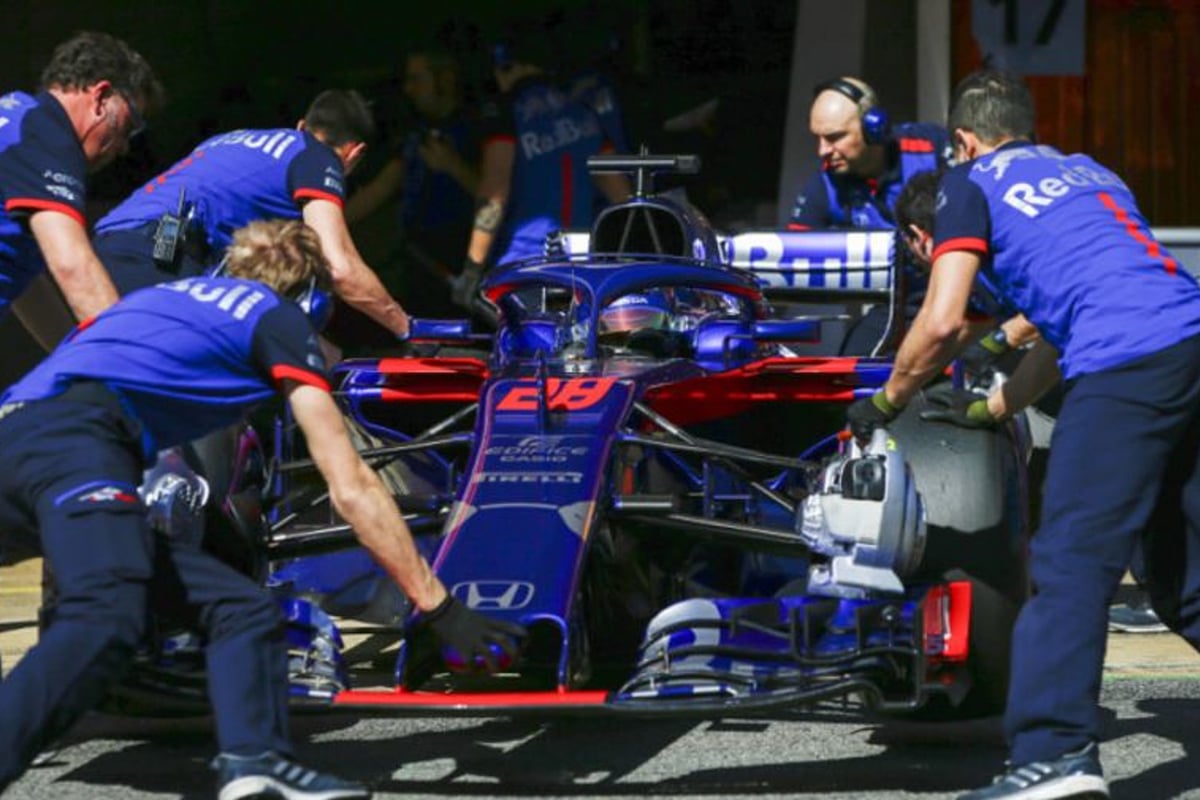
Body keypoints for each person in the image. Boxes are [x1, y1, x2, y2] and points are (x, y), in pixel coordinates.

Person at [0, 219, 525, 798]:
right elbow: (350, 484)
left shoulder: (156, 299)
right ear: (314, 300)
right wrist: (437, 605)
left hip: (17, 431)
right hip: (78, 443)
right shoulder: (277, 317)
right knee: (106, 616)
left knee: (243, 611)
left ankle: (256, 763)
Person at [846, 69, 1200, 800]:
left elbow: (942, 319)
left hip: (1128, 361)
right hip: (1188, 337)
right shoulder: (1090, 173)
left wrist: (884, 402)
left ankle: (1054, 758)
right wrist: (994, 409)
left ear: (964, 140)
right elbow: (1061, 321)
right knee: (1181, 568)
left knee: (1069, 562)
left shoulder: (966, 184)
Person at [91, 89, 411, 338]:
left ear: (302, 125)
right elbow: (340, 267)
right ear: (354, 153)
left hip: (108, 243)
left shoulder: (229, 140)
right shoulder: (317, 155)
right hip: (162, 249)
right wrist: (405, 327)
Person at [0, 31, 163, 352]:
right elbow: (73, 266)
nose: (124, 147)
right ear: (101, 97)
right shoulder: (45, 132)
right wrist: (134, 362)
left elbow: (23, 279)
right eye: (130, 127)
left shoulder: (17, 115)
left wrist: (70, 355)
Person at [451, 24, 629, 312]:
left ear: (505, 67)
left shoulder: (506, 111)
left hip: (524, 267)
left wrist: (472, 269)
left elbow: (494, 193)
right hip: (582, 270)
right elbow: (620, 195)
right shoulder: (583, 111)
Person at [788, 77, 951, 356]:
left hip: (965, 292)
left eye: (835, 137)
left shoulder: (931, 147)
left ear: (874, 127)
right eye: (818, 138)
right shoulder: (826, 183)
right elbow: (789, 253)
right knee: (851, 367)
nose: (823, 151)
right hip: (899, 304)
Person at [344, 49, 481, 319]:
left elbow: (498, 197)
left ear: (445, 79)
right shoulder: (416, 132)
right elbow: (381, 188)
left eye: (417, 79)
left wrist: (453, 166)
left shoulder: (478, 127)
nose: (409, 89)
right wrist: (317, 224)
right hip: (421, 262)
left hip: (465, 262)